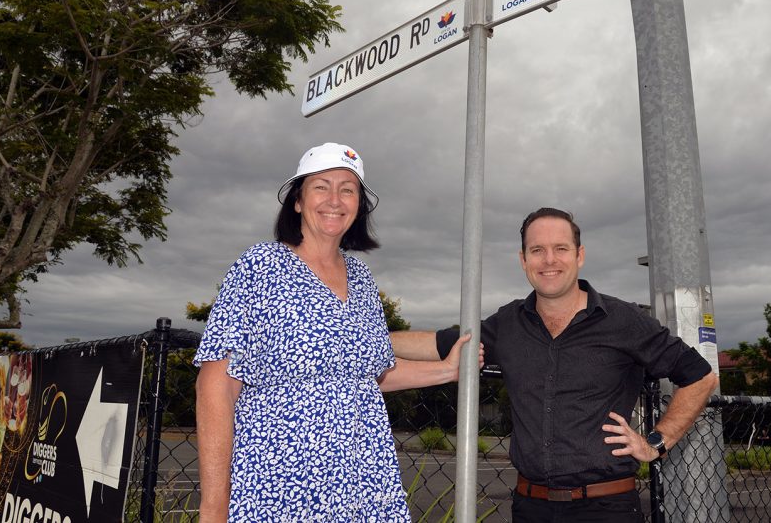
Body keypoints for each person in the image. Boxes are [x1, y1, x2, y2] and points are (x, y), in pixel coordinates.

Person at [194, 142, 473, 523]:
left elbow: (367, 375)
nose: (335, 199)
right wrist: (214, 505)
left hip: (364, 479)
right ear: (297, 201)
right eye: (321, 186)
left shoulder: (361, 277)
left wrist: (448, 369)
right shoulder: (260, 266)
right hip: (280, 481)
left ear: (359, 206)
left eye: (348, 189)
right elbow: (217, 383)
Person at [391, 207, 718, 522]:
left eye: (561, 248)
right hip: (530, 507)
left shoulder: (624, 320)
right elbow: (439, 343)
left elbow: (700, 376)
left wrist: (656, 443)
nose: (549, 260)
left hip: (606, 508)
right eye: (537, 250)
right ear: (523, 260)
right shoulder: (508, 324)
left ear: (580, 255)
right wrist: (363, 335)